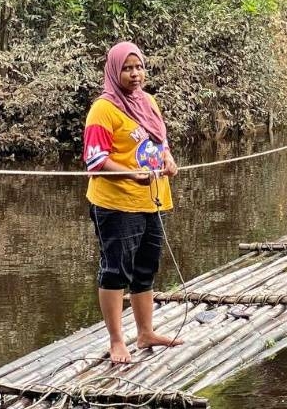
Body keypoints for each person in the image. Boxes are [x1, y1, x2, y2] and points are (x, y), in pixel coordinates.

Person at [83, 41, 182, 364]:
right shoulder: (104, 108)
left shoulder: (148, 101)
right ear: (115, 71)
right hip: (116, 203)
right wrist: (128, 174)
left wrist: (168, 160)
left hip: (150, 200)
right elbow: (95, 159)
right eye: (127, 68)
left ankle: (145, 332)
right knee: (115, 270)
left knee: (146, 268)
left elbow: (160, 142)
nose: (135, 74)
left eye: (138, 67)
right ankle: (116, 340)